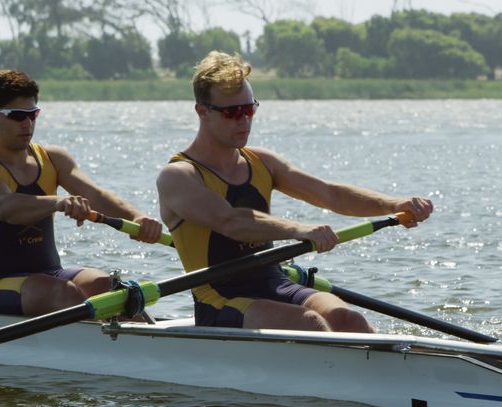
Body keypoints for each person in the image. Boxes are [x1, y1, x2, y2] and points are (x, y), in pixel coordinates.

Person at [156, 52, 433, 332]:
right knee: (309, 323)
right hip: (220, 302)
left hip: (276, 284)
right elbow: (231, 222)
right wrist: (299, 230)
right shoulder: (178, 176)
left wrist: (393, 204)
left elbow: (329, 194)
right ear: (202, 111)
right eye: (232, 113)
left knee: (350, 320)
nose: (244, 121)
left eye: (249, 109)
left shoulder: (262, 162)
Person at [0, 69, 163, 316]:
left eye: (33, 114)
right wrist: (58, 202)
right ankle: (103, 343)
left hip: (51, 275)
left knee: (111, 289)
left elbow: (96, 195)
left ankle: (146, 344)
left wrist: (138, 217)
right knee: (63, 293)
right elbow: (6, 207)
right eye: (17, 116)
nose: (28, 123)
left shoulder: (53, 159)